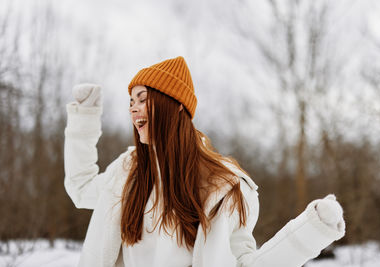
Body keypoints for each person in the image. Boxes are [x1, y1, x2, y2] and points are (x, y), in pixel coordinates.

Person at [64, 56, 345, 267]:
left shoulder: (221, 188)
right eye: (130, 101)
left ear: (174, 106)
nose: (132, 107)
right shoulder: (127, 174)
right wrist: (84, 119)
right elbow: (81, 188)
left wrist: (309, 233)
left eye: (142, 98)